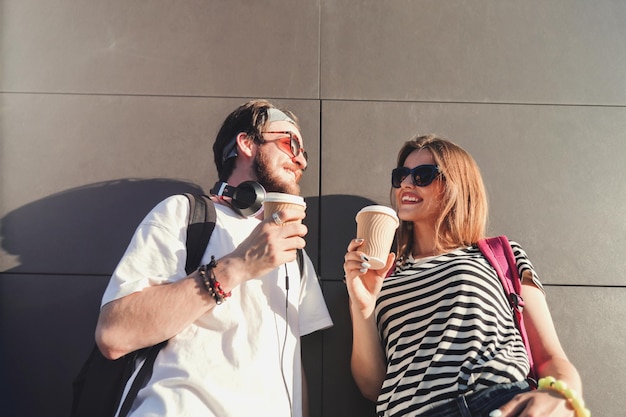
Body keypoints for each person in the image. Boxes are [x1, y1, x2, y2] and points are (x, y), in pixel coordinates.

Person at [96, 99, 333, 417]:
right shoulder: (185, 214)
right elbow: (115, 335)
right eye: (290, 143)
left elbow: (292, 368)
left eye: (304, 153)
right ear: (246, 143)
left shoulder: (296, 254)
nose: (300, 160)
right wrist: (238, 266)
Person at [344, 134, 586, 417]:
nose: (407, 184)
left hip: (492, 403)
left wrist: (562, 396)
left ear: (457, 186)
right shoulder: (382, 274)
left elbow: (551, 356)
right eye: (401, 176)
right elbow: (372, 386)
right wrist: (362, 307)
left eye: (423, 175)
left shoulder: (498, 255)